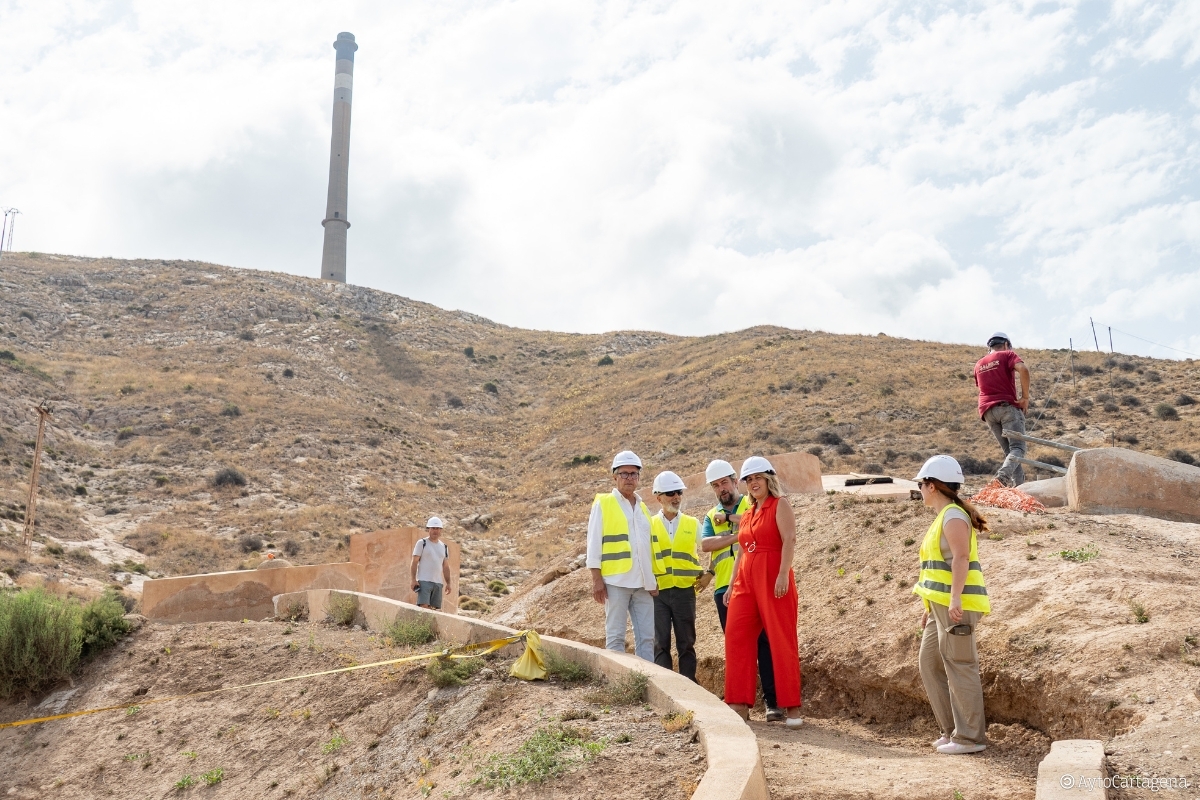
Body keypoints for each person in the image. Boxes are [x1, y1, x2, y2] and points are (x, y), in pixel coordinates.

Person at [912, 455, 992, 755]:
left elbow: (961, 558)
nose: (919, 490)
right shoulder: (944, 516)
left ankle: (970, 738)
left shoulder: (953, 516)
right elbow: (939, 568)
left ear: (932, 486)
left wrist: (955, 598)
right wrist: (929, 607)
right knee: (930, 663)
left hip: (958, 605)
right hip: (940, 606)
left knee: (960, 666)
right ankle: (951, 731)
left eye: (921, 485)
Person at [723, 456, 802, 727]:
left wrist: (782, 574)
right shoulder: (747, 513)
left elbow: (789, 539)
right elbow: (742, 550)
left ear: (768, 479)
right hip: (745, 580)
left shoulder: (780, 504)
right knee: (736, 634)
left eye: (758, 478)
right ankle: (738, 703)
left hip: (773, 576)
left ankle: (792, 708)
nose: (753, 483)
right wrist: (732, 584)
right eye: (749, 479)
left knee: (781, 639)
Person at [700, 459, 782, 721]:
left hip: (755, 583)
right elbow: (706, 544)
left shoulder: (750, 502)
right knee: (738, 647)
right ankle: (741, 704)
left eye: (724, 482)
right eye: (715, 485)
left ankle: (772, 702)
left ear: (736, 481)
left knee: (764, 643)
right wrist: (742, 534)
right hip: (725, 587)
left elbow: (761, 524)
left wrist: (738, 527)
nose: (721, 488)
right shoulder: (711, 515)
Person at [585, 450, 658, 661]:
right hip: (616, 582)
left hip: (643, 584)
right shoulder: (604, 503)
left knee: (647, 638)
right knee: (616, 637)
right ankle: (617, 680)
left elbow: (647, 547)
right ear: (614, 476)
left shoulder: (643, 508)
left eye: (633, 474)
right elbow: (593, 542)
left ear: (638, 477)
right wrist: (596, 579)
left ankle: (645, 677)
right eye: (624, 474)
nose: (629, 478)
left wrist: (652, 579)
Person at [648, 470, 708, 682]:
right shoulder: (648, 524)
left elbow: (712, 546)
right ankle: (665, 688)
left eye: (679, 492)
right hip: (658, 593)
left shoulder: (692, 523)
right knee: (660, 643)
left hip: (685, 591)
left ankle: (689, 685)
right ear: (659, 498)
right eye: (670, 493)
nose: (676, 497)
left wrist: (710, 573)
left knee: (686, 642)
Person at [973, 332, 1032, 487]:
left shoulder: (978, 364)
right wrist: (1025, 398)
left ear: (989, 347)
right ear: (1006, 344)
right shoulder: (1007, 355)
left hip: (987, 411)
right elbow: (1023, 370)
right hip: (1006, 408)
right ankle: (1002, 478)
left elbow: (983, 386)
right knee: (1018, 448)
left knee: (1010, 453)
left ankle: (1019, 488)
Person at [410, 517, 452, 610]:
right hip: (424, 581)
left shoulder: (444, 547)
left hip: (438, 583)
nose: (435, 531)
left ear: (440, 530)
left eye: (437, 528)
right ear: (428, 529)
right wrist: (413, 580)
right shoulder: (422, 543)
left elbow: (445, 567)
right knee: (424, 608)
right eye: (433, 528)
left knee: (434, 610)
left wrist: (448, 583)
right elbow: (414, 562)